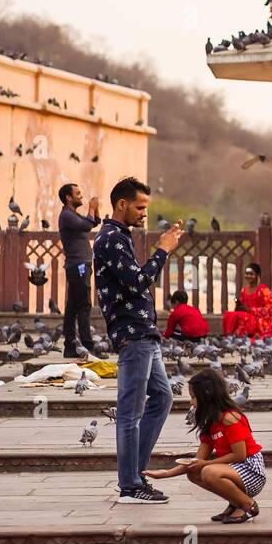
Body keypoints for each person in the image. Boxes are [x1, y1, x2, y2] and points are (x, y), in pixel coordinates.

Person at [93, 176, 183, 503]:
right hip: (132, 333)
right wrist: (162, 251)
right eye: (140, 207)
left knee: (162, 397)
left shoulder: (122, 236)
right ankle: (130, 484)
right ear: (122, 205)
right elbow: (136, 283)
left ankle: (136, 472)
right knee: (130, 412)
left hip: (144, 332)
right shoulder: (110, 239)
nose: (144, 213)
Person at [146, 367, 266, 524]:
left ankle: (248, 505)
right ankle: (236, 502)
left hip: (251, 469)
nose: (191, 402)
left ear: (207, 396)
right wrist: (166, 474)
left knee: (209, 471)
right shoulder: (210, 422)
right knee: (194, 472)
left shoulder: (230, 418)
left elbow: (240, 455)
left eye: (194, 397)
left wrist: (207, 464)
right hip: (234, 469)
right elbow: (197, 461)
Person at [57, 183, 100, 359]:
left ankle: (69, 346)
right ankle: (89, 347)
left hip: (79, 265)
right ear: (69, 197)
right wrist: (91, 207)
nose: (81, 196)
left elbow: (94, 222)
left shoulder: (72, 214)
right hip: (78, 266)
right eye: (78, 193)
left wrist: (95, 210)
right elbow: (87, 226)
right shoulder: (66, 215)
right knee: (84, 305)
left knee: (72, 307)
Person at [220, 263, 272, 339]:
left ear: (257, 275)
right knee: (229, 314)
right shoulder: (244, 290)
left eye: (251, 274)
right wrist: (239, 306)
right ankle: (230, 336)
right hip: (248, 316)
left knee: (243, 316)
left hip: (262, 320)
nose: (248, 276)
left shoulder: (264, 290)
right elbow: (243, 307)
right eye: (247, 274)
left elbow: (270, 310)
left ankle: (238, 335)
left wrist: (250, 310)